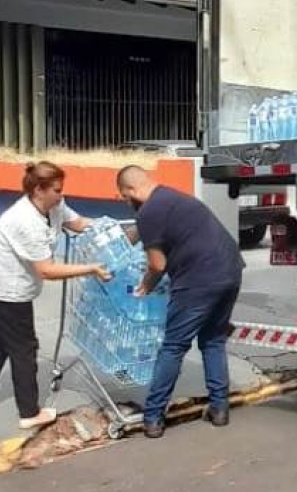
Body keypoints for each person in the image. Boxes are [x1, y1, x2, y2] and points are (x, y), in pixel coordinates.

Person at [117, 166, 243, 439]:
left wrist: (145, 287)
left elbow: (157, 263)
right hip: (231, 271)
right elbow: (148, 231)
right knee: (213, 341)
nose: (126, 203)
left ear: (130, 190)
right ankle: (219, 409)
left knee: (173, 346)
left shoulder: (149, 211)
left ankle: (152, 417)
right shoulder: (174, 198)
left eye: (124, 198)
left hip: (198, 280)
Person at [0, 162, 110, 430]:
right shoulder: (24, 221)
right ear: (39, 190)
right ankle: (29, 412)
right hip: (4, 290)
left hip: (6, 286)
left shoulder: (54, 206)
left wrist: (109, 229)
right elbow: (48, 270)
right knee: (24, 348)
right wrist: (91, 268)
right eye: (56, 190)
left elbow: (77, 223)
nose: (61, 195)